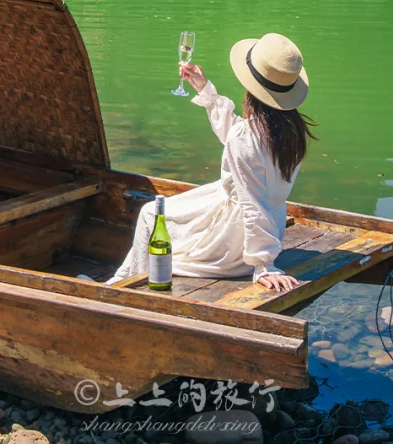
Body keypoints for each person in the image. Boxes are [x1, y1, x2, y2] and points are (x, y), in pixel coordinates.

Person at [109, 32, 314, 293]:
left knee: (151, 214)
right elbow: (242, 143)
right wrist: (205, 90)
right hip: (268, 228)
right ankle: (120, 281)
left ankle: (122, 288)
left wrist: (264, 264)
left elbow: (252, 201)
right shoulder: (293, 131)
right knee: (159, 216)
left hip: (236, 242)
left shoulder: (247, 136)